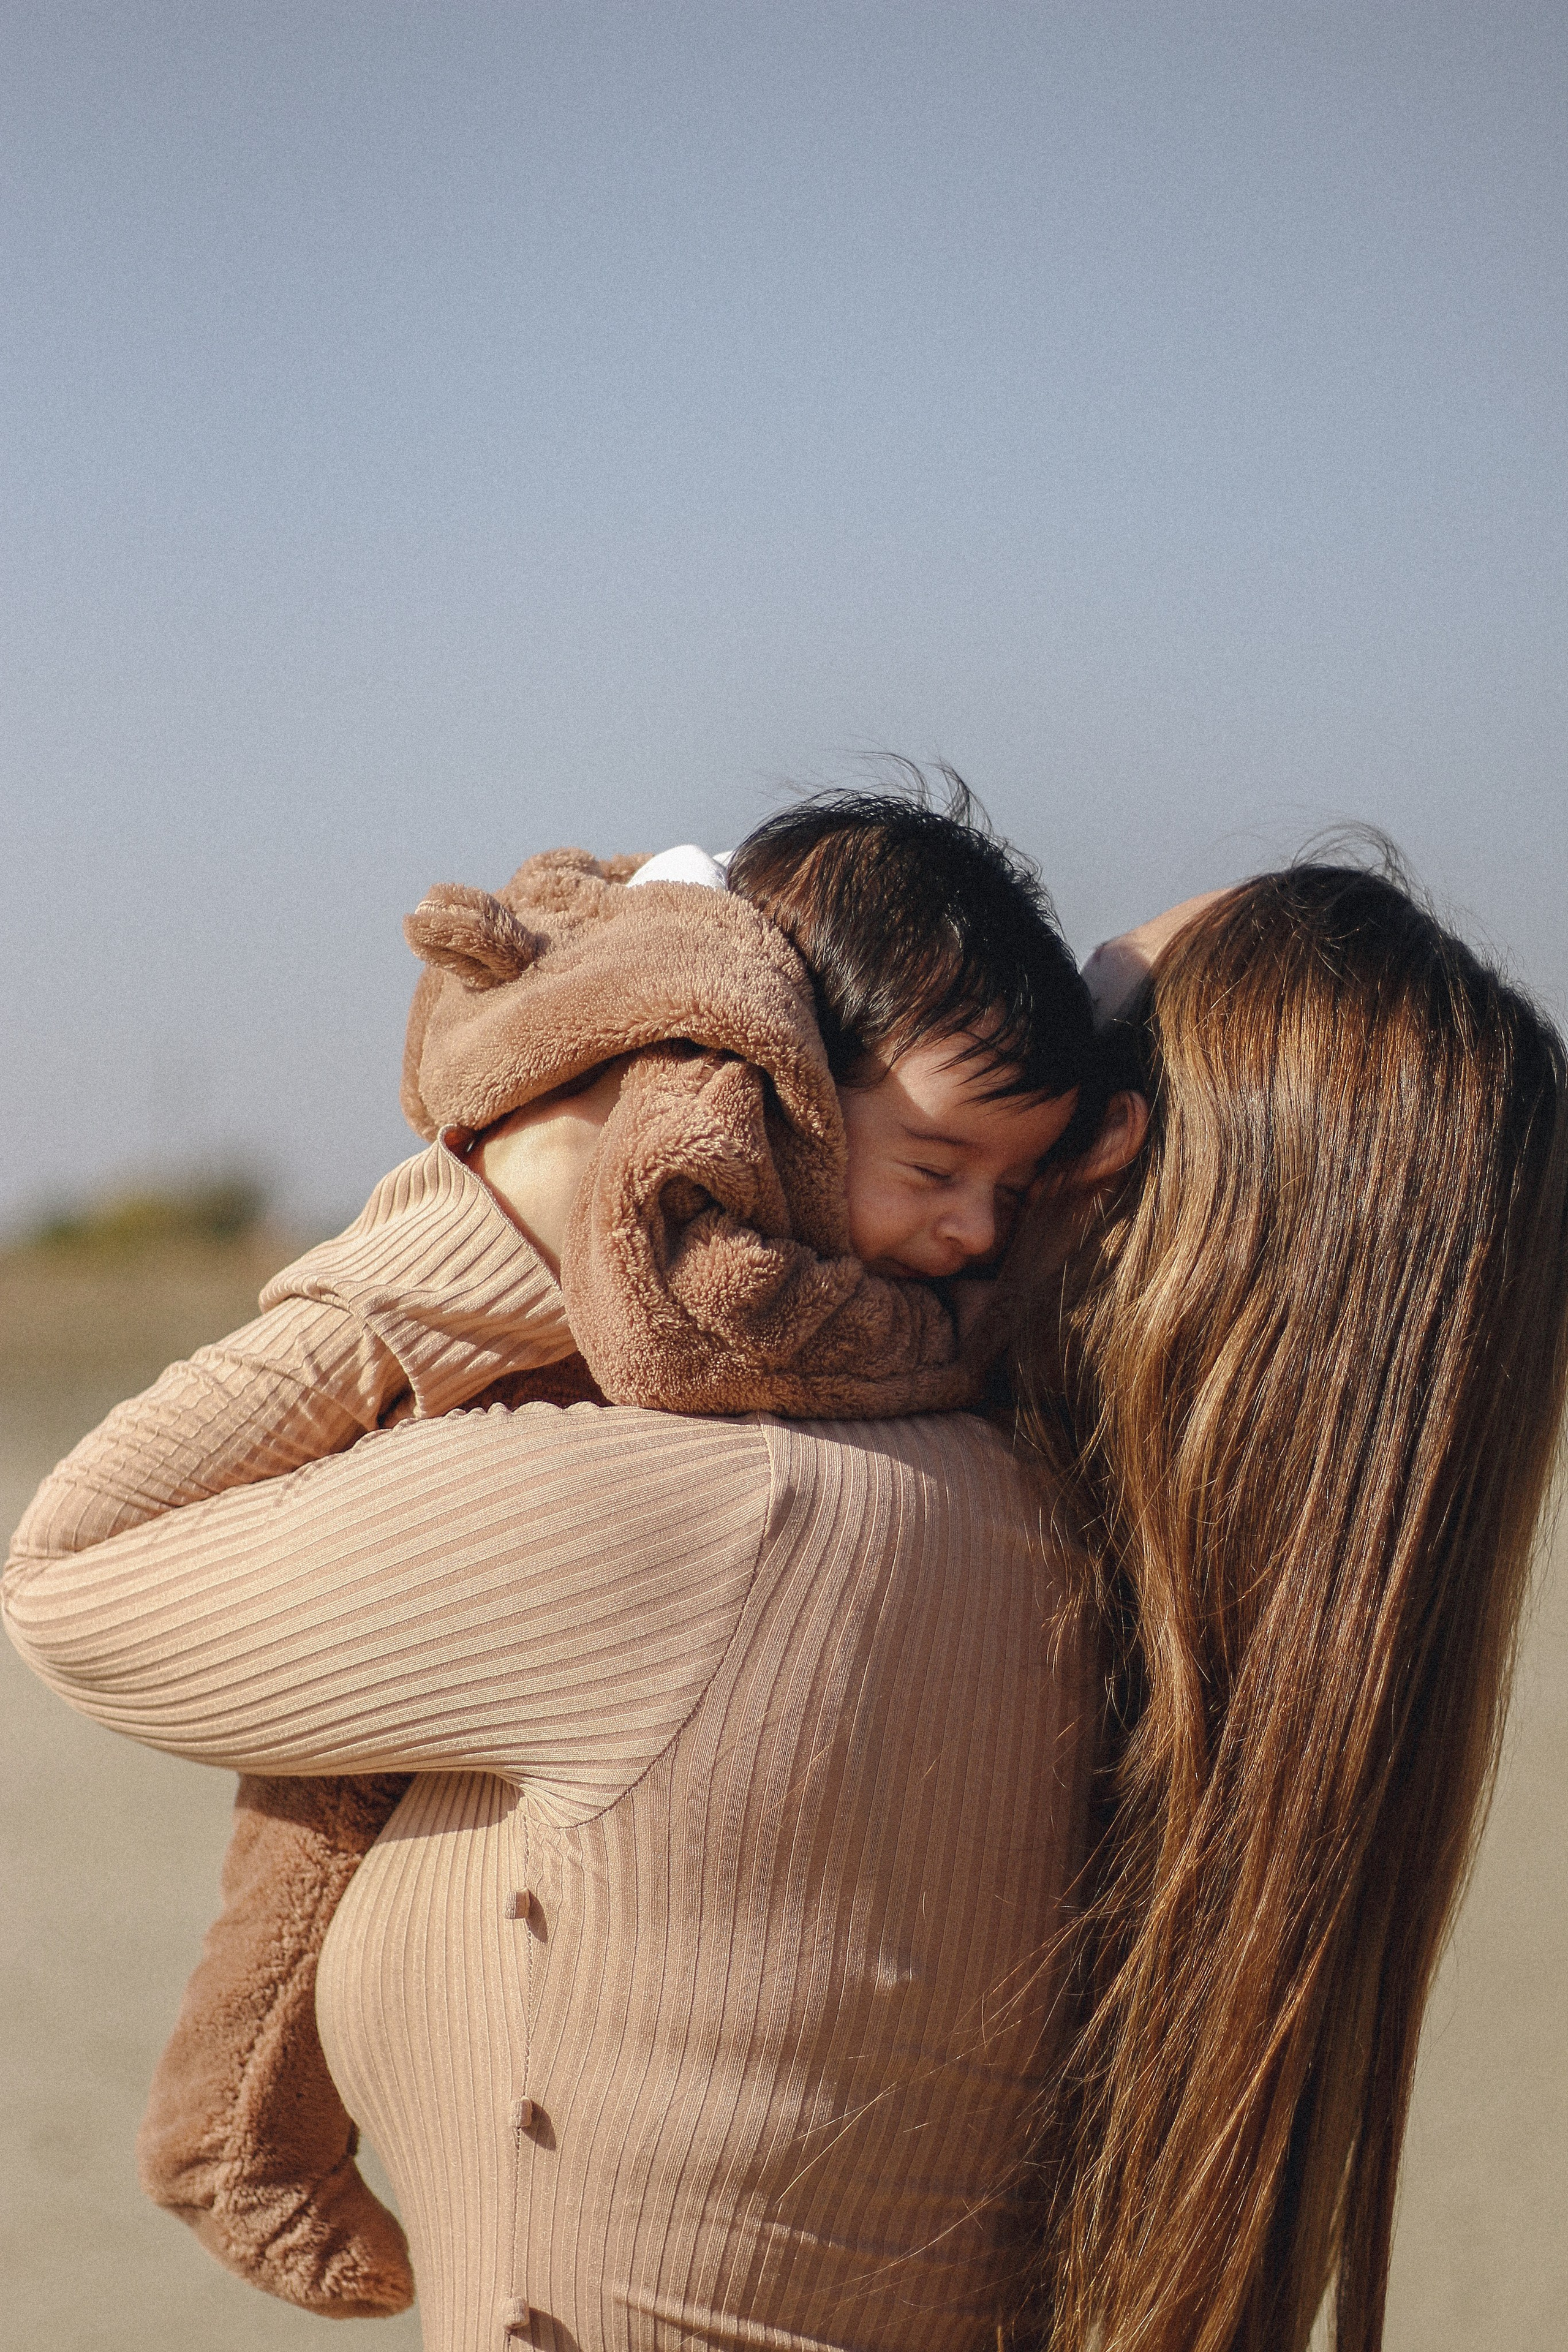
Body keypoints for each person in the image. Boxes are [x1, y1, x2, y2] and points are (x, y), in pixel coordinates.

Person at [7, 848, 1566, 2352]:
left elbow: (72, 1575)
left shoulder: (729, 1529)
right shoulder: (1173, 1624)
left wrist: (530, 1189)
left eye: (1069, 1042)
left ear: (1105, 1164)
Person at [10, 783, 1133, 2327]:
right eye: (934, 1170)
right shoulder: (1002, 1466)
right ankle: (235, 2130)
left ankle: (236, 2132)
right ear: (771, 1091)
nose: (971, 1238)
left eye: (1009, 1191)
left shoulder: (714, 1509)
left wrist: (499, 1218)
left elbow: (72, 1567)